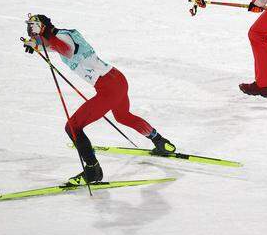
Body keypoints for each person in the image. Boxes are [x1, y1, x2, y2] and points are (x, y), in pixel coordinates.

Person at [22, 14, 176, 185]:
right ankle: (161, 142)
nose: (32, 33)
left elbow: (67, 50)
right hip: (117, 79)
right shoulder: (64, 34)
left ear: (41, 27)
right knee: (122, 116)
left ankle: (92, 170)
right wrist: (36, 44)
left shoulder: (61, 37)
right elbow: (55, 46)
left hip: (108, 88)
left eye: (34, 29)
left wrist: (44, 39)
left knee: (72, 127)